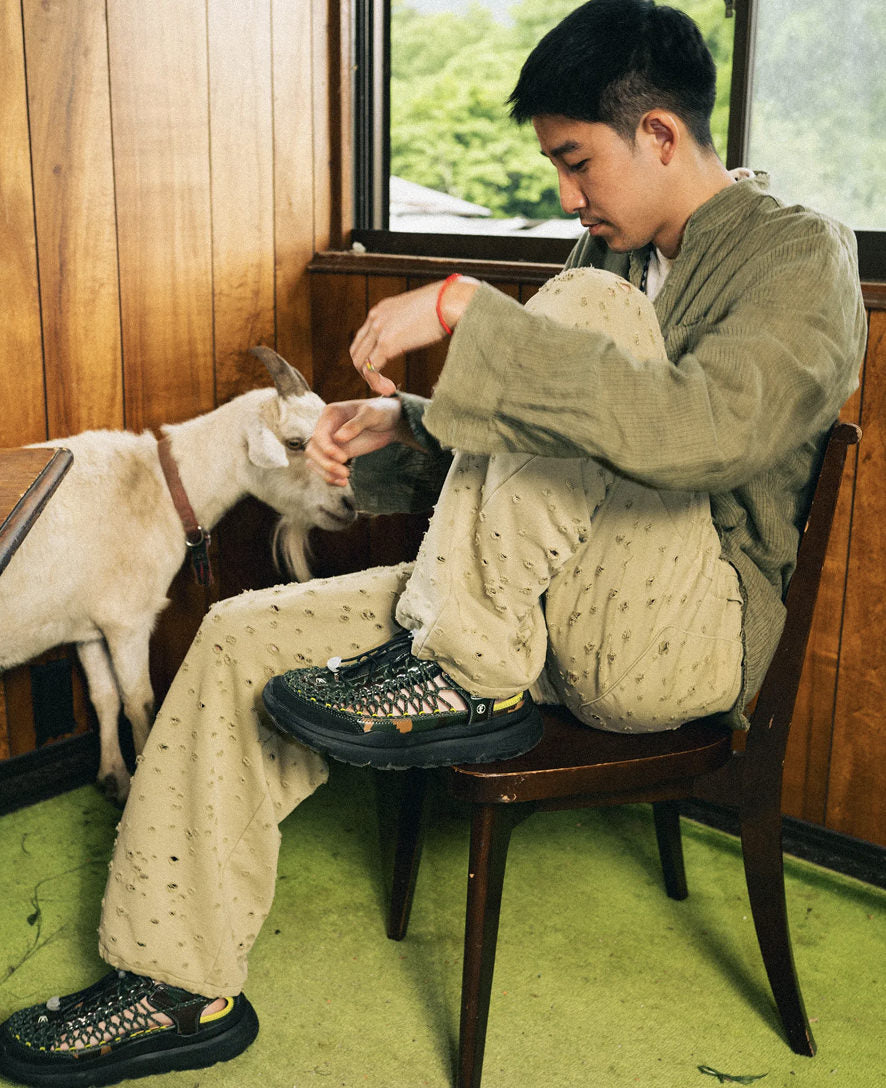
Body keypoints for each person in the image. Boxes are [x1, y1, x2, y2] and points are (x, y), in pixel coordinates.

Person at [0, 0, 866, 1084]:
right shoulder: (608, 252)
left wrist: (467, 308)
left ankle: (459, 666)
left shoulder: (799, 254)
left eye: (575, 161)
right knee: (234, 637)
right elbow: (545, 466)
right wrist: (404, 429)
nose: (567, 195)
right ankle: (175, 985)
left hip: (676, 641)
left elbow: (701, 431)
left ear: (657, 133)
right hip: (522, 619)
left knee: (583, 308)